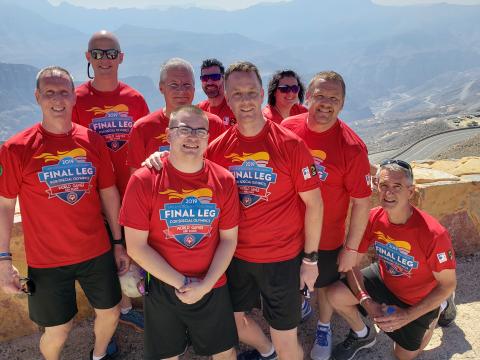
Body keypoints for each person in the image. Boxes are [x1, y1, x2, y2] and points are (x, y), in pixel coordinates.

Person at [144, 61, 324, 360]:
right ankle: (265, 352)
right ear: (226, 96)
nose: (246, 100)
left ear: (261, 93)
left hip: (280, 258)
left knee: (286, 339)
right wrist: (158, 158)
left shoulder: (290, 145)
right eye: (237, 93)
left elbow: (314, 204)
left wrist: (311, 260)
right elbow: (184, 163)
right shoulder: (217, 148)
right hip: (234, 258)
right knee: (234, 322)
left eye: (251, 91)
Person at [0, 66, 128, 360]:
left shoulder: (92, 141)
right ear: (37, 97)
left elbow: (108, 192)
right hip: (47, 261)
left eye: (63, 92)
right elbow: (5, 205)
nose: (57, 99)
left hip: (96, 251)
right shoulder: (16, 148)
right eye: (49, 93)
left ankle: (99, 355)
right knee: (58, 330)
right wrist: (3, 259)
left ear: (73, 97)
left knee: (110, 312)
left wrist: (119, 244)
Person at [120, 105, 240, 360]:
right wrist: (183, 284)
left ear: (208, 137)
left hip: (212, 283)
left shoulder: (224, 180)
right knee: (167, 356)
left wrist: (205, 286)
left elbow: (229, 240)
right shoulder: (144, 180)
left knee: (225, 353)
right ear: (168, 134)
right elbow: (136, 246)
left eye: (200, 131)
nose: (192, 137)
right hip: (163, 285)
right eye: (184, 129)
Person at [281, 71, 372, 360]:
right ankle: (291, 328)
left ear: (342, 104)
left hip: (327, 236)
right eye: (320, 96)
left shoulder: (352, 147)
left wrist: (352, 248)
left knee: (322, 285)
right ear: (307, 97)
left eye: (334, 98)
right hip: (287, 232)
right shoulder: (288, 127)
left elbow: (361, 202)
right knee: (289, 283)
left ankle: (323, 327)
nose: (325, 103)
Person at [327, 159, 457, 360]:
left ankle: (439, 309)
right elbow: (351, 263)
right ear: (376, 187)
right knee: (335, 294)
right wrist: (368, 303)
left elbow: (447, 284)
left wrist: (407, 316)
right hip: (385, 278)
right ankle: (362, 334)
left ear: (410, 192)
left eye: (397, 187)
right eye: (384, 185)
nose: (388, 193)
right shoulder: (373, 217)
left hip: (418, 297)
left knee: (402, 356)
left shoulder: (433, 234)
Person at [72, 30, 149, 331]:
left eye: (111, 53)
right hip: (93, 196)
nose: (105, 59)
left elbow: (145, 145)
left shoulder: (135, 99)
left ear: (121, 58)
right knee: (104, 259)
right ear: (88, 57)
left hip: (131, 194)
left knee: (136, 255)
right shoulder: (75, 99)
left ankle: (138, 306)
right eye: (98, 53)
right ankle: (121, 310)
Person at [127, 57, 226, 172]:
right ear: (161, 88)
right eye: (174, 85)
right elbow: (137, 180)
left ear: (194, 88)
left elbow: (222, 174)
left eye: (187, 85)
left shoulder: (214, 124)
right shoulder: (142, 128)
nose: (181, 91)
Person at [198, 58, 236, 126]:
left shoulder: (237, 107)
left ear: (224, 79)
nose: (209, 82)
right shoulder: (198, 111)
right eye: (205, 78)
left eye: (215, 77)